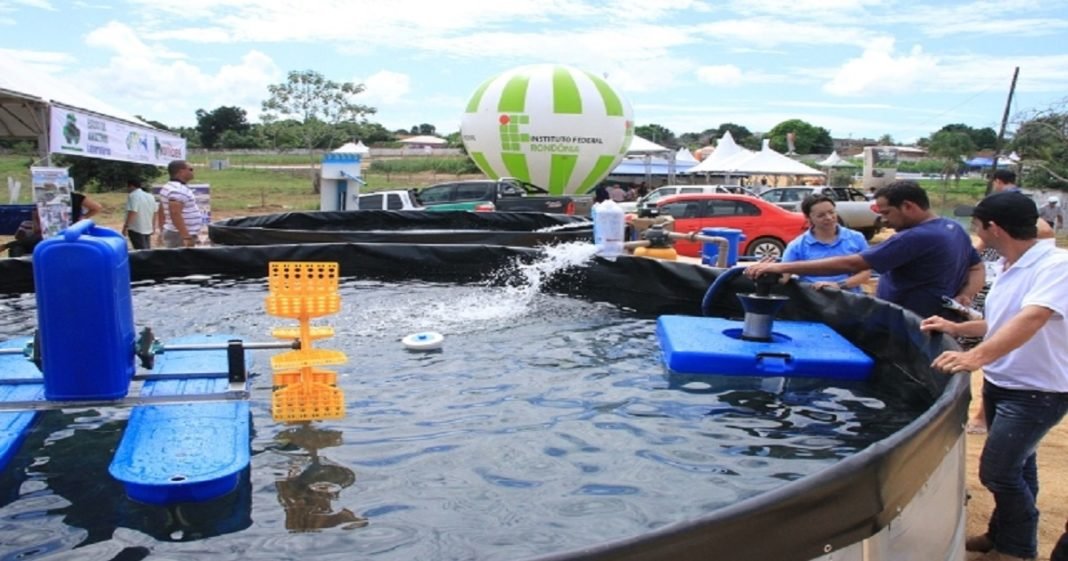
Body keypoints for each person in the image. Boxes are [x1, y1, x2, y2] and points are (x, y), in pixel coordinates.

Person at [919, 191, 1068, 561]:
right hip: (1005, 382)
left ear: (993, 228)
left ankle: (1018, 548)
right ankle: (1002, 535)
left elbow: (1033, 319)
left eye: (978, 223)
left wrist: (975, 358)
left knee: (998, 472)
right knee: (1020, 465)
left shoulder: (1056, 266)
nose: (975, 229)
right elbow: (1006, 322)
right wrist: (962, 327)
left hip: (1038, 390)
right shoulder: (1009, 264)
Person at [746, 180, 983, 319]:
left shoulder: (915, 237)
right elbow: (977, 266)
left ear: (908, 206)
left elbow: (853, 264)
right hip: (935, 319)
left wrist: (780, 266)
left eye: (887, 213)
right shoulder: (952, 228)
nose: (885, 222)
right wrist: (967, 295)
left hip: (910, 324)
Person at [780, 194, 870, 292]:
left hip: (849, 301)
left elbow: (865, 272)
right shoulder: (797, 246)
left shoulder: (856, 238)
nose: (829, 217)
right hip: (814, 302)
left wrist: (839, 285)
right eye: (821, 215)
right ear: (808, 217)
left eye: (831, 212)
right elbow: (784, 275)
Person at [157, 160, 203, 248]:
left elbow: (162, 208)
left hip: (178, 233)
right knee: (181, 261)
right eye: (190, 169)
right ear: (181, 171)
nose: (193, 172)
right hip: (179, 235)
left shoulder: (171, 187)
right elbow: (175, 213)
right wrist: (186, 237)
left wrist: (162, 228)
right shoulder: (177, 190)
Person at [121, 178, 158, 250]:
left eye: (127, 187)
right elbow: (155, 212)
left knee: (140, 251)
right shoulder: (150, 196)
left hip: (136, 228)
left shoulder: (133, 195)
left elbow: (133, 211)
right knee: (147, 250)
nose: (127, 189)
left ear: (131, 186)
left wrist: (126, 227)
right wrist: (153, 226)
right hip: (147, 227)